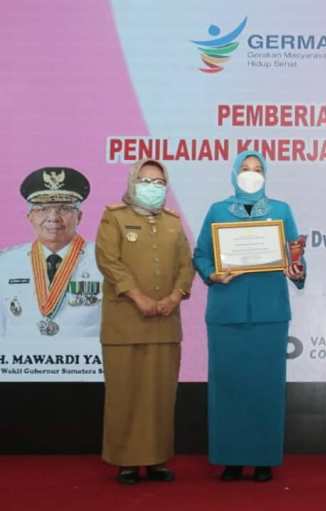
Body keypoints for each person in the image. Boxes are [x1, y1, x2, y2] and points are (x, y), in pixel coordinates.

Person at [193, 150, 305, 483]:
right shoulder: (217, 210)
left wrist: (297, 269)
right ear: (234, 173)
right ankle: (230, 459)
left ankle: (262, 459)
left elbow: (295, 257)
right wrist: (212, 274)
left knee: (265, 387)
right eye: (245, 168)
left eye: (258, 169)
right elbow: (201, 254)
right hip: (226, 311)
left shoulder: (281, 210)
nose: (251, 173)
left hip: (270, 313)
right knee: (228, 387)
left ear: (266, 175)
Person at [95, 159, 194, 485]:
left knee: (160, 396)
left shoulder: (173, 223)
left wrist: (175, 296)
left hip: (165, 323)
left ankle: (156, 460)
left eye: (159, 182)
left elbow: (186, 265)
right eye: (146, 180)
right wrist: (137, 296)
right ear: (132, 181)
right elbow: (108, 261)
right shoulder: (114, 217)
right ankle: (126, 462)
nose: (153, 187)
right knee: (125, 394)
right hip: (125, 322)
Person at [0, 167, 101, 338]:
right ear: (30, 217)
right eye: (42, 209)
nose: (53, 217)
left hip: (86, 355)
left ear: (79, 216)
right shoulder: (6, 263)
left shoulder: (105, 261)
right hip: (22, 355)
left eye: (64, 208)